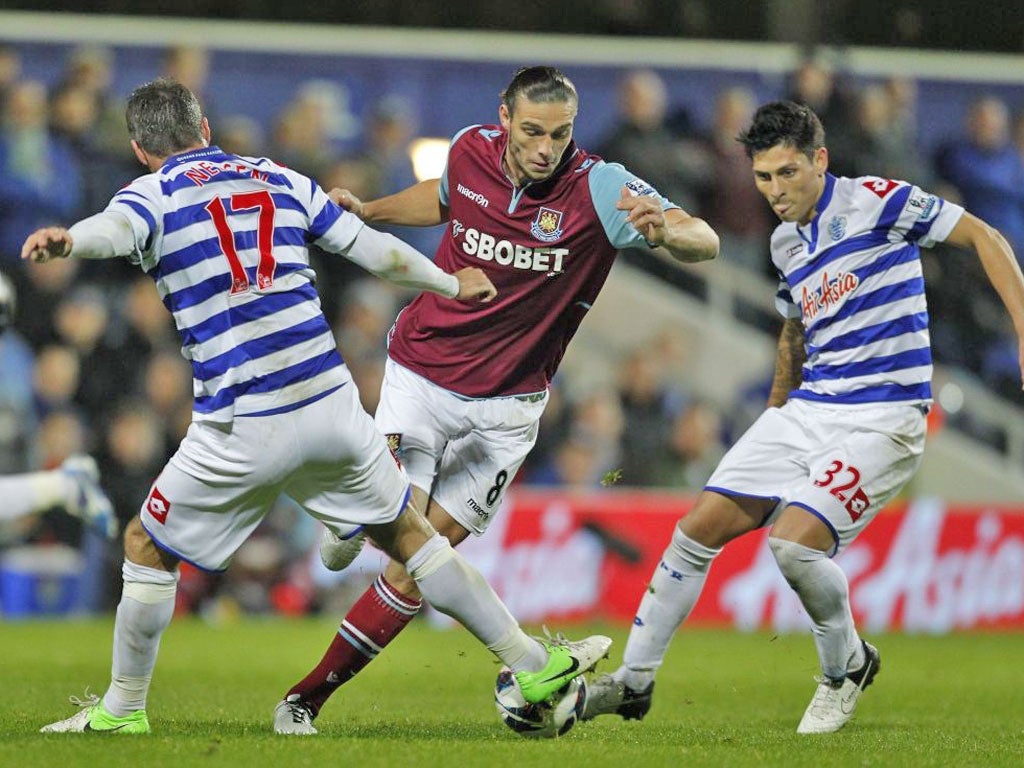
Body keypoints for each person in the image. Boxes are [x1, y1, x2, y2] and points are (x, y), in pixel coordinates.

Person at [22, 78, 611, 735]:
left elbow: (114, 229)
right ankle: (529, 661)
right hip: (331, 404)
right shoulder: (280, 178)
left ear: (138, 149)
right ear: (207, 129)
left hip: (242, 420)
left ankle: (122, 712)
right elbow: (372, 250)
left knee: (146, 545)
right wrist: (448, 281)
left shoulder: (152, 194)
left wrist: (70, 240)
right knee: (413, 540)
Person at [277, 65, 718, 734]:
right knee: (398, 541)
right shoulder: (468, 148)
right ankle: (363, 528)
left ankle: (303, 699)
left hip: (507, 414)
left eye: (561, 134)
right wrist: (372, 211)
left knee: (412, 569)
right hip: (421, 376)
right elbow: (445, 198)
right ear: (505, 119)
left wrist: (665, 231)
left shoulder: (598, 185)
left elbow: (703, 239)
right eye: (534, 132)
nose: (547, 148)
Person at [582, 100, 1024, 734]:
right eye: (764, 179)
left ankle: (844, 666)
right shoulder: (785, 243)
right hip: (809, 409)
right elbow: (795, 330)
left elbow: (985, 235)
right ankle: (635, 682)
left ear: (820, 160)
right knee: (695, 530)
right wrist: (774, 416)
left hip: (885, 415)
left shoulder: (877, 199)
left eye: (788, 173)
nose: (776, 192)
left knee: (791, 547)